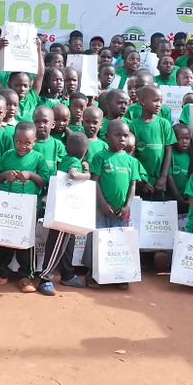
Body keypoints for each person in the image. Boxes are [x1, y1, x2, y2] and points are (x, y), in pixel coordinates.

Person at [0, 122, 49, 292]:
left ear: (34, 142)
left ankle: (26, 276)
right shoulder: (7, 156)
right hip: (7, 206)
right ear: (14, 140)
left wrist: (30, 175)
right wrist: (5, 175)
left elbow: (44, 181)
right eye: (19, 142)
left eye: (27, 143)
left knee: (26, 242)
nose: (23, 146)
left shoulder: (38, 158)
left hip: (28, 207)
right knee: (2, 239)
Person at [86, 119, 143, 289]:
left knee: (119, 242)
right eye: (118, 135)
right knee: (98, 240)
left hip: (121, 211)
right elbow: (94, 182)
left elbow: (133, 185)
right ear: (107, 136)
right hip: (102, 209)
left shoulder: (132, 161)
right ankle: (93, 274)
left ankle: (119, 274)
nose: (122, 139)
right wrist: (102, 203)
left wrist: (127, 206)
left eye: (125, 135)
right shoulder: (100, 157)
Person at [36, 132, 92, 295]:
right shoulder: (74, 161)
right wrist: (87, 175)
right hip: (65, 210)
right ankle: (45, 278)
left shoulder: (66, 159)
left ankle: (68, 275)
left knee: (67, 243)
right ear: (86, 152)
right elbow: (73, 174)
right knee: (57, 244)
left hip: (66, 209)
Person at [129, 85, 174, 198]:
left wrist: (163, 177)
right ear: (143, 102)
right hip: (141, 183)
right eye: (155, 100)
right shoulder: (133, 125)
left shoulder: (164, 124)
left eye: (161, 101)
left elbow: (168, 151)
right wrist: (140, 180)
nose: (159, 104)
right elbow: (132, 155)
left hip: (159, 182)